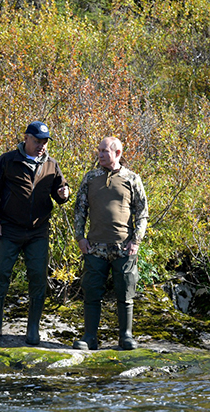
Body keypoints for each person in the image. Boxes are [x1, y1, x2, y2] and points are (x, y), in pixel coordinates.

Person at [0, 121, 70, 345]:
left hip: (38, 232)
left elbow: (60, 193)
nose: (41, 145)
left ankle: (33, 329)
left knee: (38, 278)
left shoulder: (52, 164)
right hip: (8, 229)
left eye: (44, 142)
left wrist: (64, 193)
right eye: (37, 141)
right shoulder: (7, 160)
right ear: (26, 138)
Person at [73, 136, 148, 350]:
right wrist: (80, 238)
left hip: (124, 247)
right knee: (91, 292)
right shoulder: (90, 178)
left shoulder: (132, 178)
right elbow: (79, 209)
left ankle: (126, 336)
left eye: (105, 151)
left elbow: (142, 213)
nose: (100, 154)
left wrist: (136, 241)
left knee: (125, 293)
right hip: (95, 247)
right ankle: (89, 338)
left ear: (118, 153)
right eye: (99, 150)